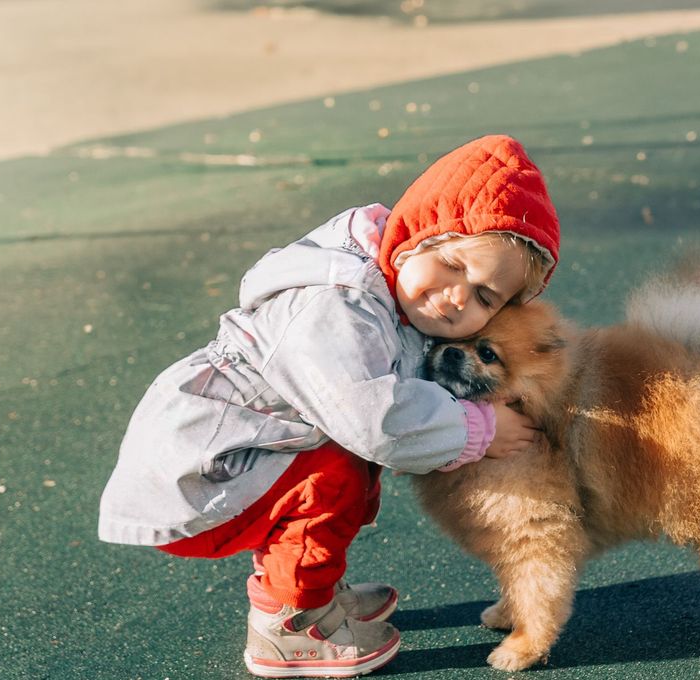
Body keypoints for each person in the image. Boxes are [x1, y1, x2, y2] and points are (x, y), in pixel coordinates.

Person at [97, 134, 561, 677]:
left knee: (337, 462)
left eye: (485, 296)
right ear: (416, 234)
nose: (459, 296)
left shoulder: (396, 289)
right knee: (334, 472)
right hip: (203, 473)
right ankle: (293, 622)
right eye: (454, 264)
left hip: (235, 451)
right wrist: (476, 429)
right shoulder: (335, 306)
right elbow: (379, 423)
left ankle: (309, 586)